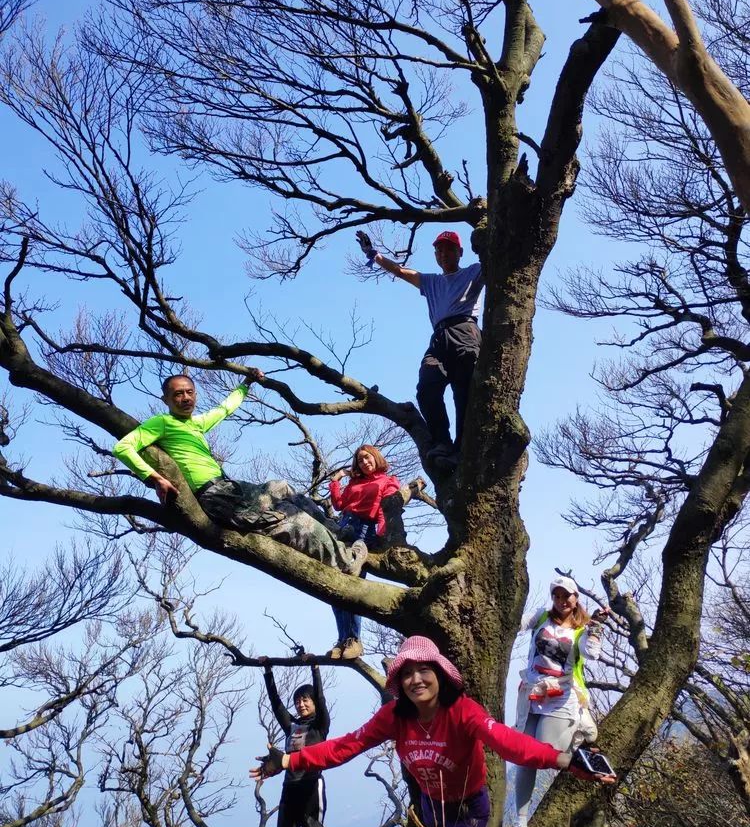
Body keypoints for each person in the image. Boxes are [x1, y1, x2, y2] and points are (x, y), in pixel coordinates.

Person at [251, 635, 615, 827]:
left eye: (424, 669)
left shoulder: (462, 711)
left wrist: (566, 759)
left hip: (469, 810)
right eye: (407, 673)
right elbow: (345, 746)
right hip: (431, 808)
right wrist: (286, 761)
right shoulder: (394, 716)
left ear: (440, 673)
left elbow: (507, 741)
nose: (416, 679)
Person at [112, 373, 366, 575]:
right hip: (215, 496)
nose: (186, 398)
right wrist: (155, 478)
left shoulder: (195, 424)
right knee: (290, 518)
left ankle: (338, 532)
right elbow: (122, 447)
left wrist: (246, 384)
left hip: (229, 487)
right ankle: (347, 562)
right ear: (166, 399)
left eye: (189, 392)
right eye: (178, 394)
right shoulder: (162, 423)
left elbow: (224, 409)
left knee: (281, 487)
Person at [355, 229, 484, 467]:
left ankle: (463, 448)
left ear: (460, 252)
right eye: (439, 250)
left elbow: (497, 260)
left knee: (464, 392)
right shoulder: (431, 281)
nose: (443, 254)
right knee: (426, 387)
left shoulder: (474, 271)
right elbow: (401, 271)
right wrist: (373, 254)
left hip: (464, 331)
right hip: (438, 337)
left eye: (449, 249)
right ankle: (442, 442)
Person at [510, 575, 610, 827]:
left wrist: (596, 626)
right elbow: (516, 625)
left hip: (562, 697)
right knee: (525, 757)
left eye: (567, 595)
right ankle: (520, 823)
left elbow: (592, 653)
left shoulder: (581, 629)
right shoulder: (542, 616)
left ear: (576, 598)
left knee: (546, 753)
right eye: (557, 595)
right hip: (532, 693)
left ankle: (580, 732)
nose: (562, 600)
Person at [327, 444, 401, 660]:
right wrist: (336, 481)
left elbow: (386, 511)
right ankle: (342, 639)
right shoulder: (355, 482)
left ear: (376, 457)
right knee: (333, 585)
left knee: (351, 582)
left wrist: (382, 536)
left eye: (368, 458)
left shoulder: (388, 481)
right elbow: (339, 504)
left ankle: (353, 640)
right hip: (343, 526)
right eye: (360, 460)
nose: (365, 462)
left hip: (363, 530)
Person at [262, 660, 330, 827]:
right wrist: (268, 671)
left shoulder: (320, 725)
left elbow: (321, 698)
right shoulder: (292, 726)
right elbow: (276, 704)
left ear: (314, 702)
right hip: (290, 788)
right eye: (298, 701)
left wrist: (315, 669)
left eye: (305, 700)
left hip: (311, 788)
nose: (301, 704)